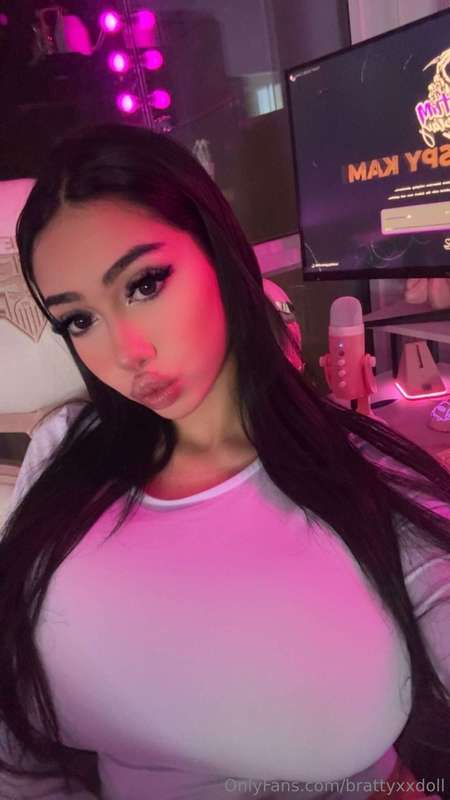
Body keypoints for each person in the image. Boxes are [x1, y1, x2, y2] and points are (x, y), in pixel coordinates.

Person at [0, 122, 449, 800]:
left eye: (145, 284)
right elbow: (14, 734)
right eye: (79, 321)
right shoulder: (64, 454)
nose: (126, 352)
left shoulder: (368, 482)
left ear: (219, 252)